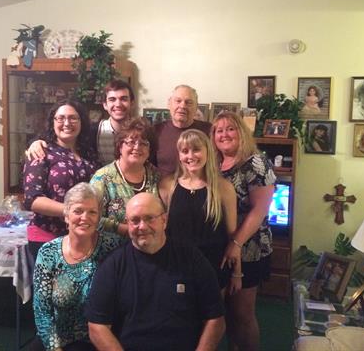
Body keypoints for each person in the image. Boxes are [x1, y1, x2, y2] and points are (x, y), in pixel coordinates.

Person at [85, 193, 225, 351]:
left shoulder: (192, 258)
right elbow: (97, 326)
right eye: (135, 220)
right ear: (127, 223)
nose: (142, 227)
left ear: (164, 220)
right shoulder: (113, 265)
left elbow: (215, 318)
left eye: (149, 218)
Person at [211, 111, 276, 351]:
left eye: (230, 129)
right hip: (221, 246)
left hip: (249, 248)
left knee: (242, 313)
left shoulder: (255, 162)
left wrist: (236, 243)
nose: (224, 134)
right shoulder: (214, 164)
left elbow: (259, 210)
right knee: (226, 311)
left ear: (241, 132)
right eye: (219, 130)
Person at [33, 183, 119, 351]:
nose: (84, 217)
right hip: (57, 340)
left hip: (100, 342)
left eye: (92, 212)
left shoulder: (112, 248)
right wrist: (55, 348)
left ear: (99, 217)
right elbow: (42, 311)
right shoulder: (48, 253)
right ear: (66, 216)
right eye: (78, 211)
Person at [159, 129, 241, 293]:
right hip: (177, 266)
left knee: (214, 310)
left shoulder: (223, 188)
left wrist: (237, 273)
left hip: (214, 266)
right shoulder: (168, 185)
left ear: (207, 152)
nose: (190, 156)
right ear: (179, 155)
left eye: (196, 149)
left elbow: (233, 237)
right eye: (185, 151)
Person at [23, 100, 98, 260]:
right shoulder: (41, 152)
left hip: (83, 237)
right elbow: (32, 200)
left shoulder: (88, 153)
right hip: (48, 237)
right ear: (53, 122)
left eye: (73, 118)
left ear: (81, 122)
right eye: (61, 118)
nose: (67, 123)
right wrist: (72, 211)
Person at [27, 79, 135, 166]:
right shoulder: (93, 131)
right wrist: (37, 142)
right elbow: (61, 135)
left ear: (132, 103)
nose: (118, 104)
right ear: (105, 105)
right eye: (112, 99)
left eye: (124, 99)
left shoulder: (141, 132)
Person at [89, 117, 160, 247]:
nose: (137, 147)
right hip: (112, 251)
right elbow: (90, 217)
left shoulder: (155, 175)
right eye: (131, 142)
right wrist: (124, 229)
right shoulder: (102, 178)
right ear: (120, 146)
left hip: (150, 249)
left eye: (144, 143)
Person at [152, 85, 212, 176]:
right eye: (178, 101)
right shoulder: (156, 131)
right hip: (164, 184)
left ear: (196, 107)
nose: (183, 106)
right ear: (169, 104)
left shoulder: (209, 130)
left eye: (188, 102)